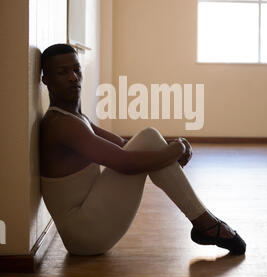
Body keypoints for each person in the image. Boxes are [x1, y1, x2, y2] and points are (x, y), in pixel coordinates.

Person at [39, 43, 246, 256]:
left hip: (85, 232)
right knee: (150, 139)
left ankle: (206, 223)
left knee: (149, 138)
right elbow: (127, 163)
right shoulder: (62, 125)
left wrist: (168, 150)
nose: (73, 77)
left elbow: (123, 145)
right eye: (63, 72)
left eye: (76, 69)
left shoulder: (76, 119)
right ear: (46, 80)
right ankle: (207, 224)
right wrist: (177, 149)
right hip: (85, 234)